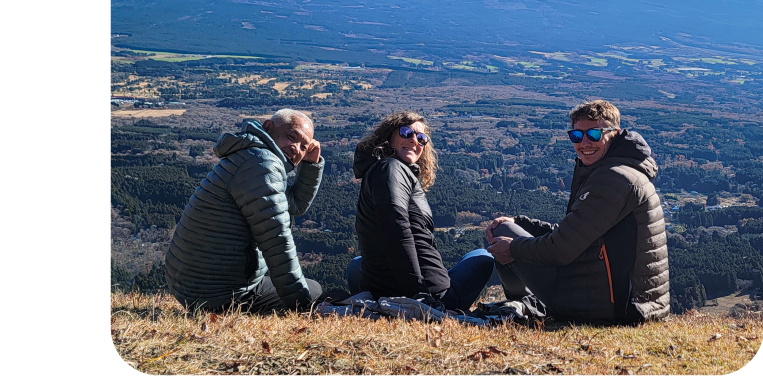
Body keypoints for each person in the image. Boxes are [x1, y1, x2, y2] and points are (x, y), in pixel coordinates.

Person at [484, 99, 669, 324]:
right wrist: (523, 223)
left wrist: (512, 247)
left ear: (615, 133)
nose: (584, 143)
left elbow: (560, 249)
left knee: (503, 234)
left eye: (593, 134)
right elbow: (576, 232)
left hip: (615, 308)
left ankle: (526, 307)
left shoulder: (614, 179)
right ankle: (528, 306)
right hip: (628, 301)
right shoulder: (618, 170)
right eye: (576, 136)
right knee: (509, 228)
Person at [164, 109, 324, 312]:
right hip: (219, 294)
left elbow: (295, 205)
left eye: (304, 146)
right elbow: (277, 242)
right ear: (268, 127)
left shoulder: (251, 153)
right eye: (291, 137)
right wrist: (301, 306)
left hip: (193, 285)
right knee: (314, 290)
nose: (296, 149)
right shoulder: (263, 164)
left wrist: (310, 165)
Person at [348, 111, 497, 311]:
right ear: (388, 137)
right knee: (483, 256)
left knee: (356, 264)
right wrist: (419, 295)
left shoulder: (378, 170)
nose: (414, 141)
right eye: (406, 133)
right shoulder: (391, 169)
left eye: (421, 138)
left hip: (381, 288)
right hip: (433, 296)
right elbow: (396, 229)